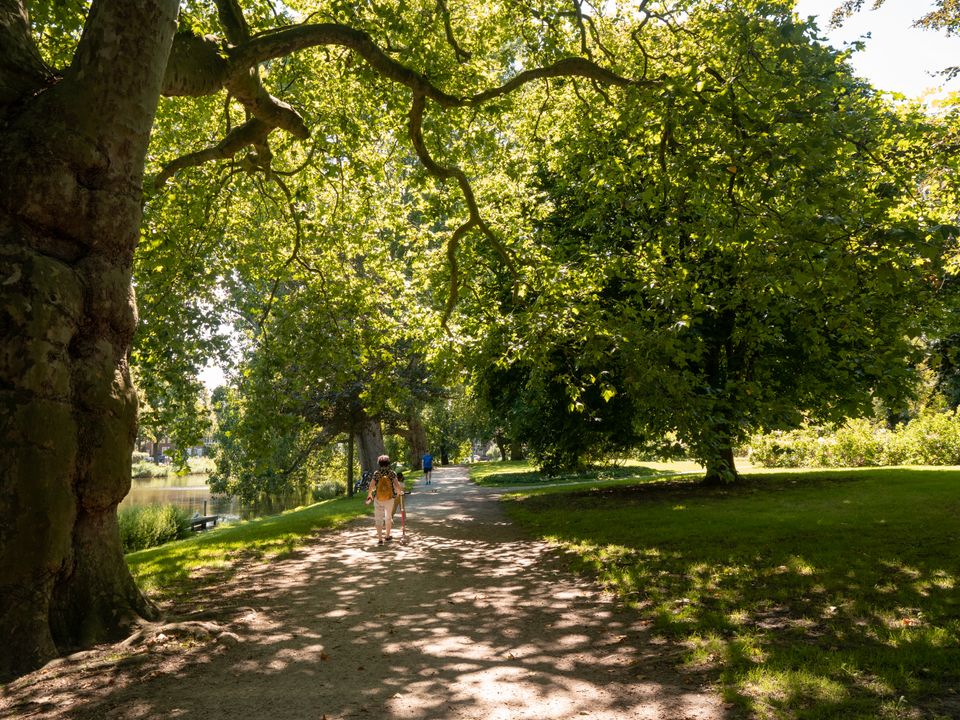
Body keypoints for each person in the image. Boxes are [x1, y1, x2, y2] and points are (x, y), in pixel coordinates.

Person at [365, 455, 403, 545]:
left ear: (379, 463)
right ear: (388, 463)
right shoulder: (392, 473)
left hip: (378, 498)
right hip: (389, 498)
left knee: (378, 518)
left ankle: (379, 539)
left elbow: (371, 486)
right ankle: (387, 536)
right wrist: (399, 493)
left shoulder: (377, 473)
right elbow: (397, 486)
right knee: (388, 517)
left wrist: (369, 495)